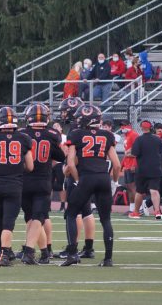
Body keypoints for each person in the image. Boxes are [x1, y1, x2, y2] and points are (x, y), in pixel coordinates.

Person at [61, 104, 121, 267]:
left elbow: (71, 164)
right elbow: (116, 165)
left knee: (72, 214)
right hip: (103, 178)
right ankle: (108, 258)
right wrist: (115, 182)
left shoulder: (76, 133)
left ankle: (72, 253)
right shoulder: (107, 135)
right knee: (106, 219)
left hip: (86, 177)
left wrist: (78, 179)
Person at [0, 107, 34, 266]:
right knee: (8, 222)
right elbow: (30, 166)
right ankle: (5, 254)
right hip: (14, 184)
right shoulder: (24, 139)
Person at [18, 103, 66, 265]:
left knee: (31, 217)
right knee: (38, 217)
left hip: (24, 180)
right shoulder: (52, 134)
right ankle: (30, 252)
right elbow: (61, 156)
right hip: (43, 180)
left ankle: (44, 252)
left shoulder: (22, 133)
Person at [53, 98, 96, 260]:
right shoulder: (89, 129)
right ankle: (89, 248)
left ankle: (73, 248)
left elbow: (74, 155)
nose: (63, 113)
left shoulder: (75, 131)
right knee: (86, 211)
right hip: (91, 171)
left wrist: (68, 169)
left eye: (65, 110)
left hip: (77, 172)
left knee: (74, 212)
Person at [129, 120, 162, 220]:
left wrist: (128, 153)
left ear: (141, 127)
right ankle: (157, 212)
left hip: (142, 169)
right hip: (155, 168)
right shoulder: (158, 140)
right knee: (154, 190)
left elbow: (134, 153)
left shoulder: (139, 139)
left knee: (140, 191)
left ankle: (136, 212)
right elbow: (161, 153)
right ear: (151, 128)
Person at [119, 120, 139, 215]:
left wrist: (134, 164)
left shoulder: (134, 135)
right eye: (121, 126)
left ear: (129, 125)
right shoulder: (127, 136)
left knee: (133, 187)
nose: (122, 127)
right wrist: (122, 164)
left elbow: (137, 151)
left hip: (132, 165)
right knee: (128, 187)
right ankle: (132, 208)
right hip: (127, 165)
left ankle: (137, 209)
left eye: (124, 125)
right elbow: (126, 153)